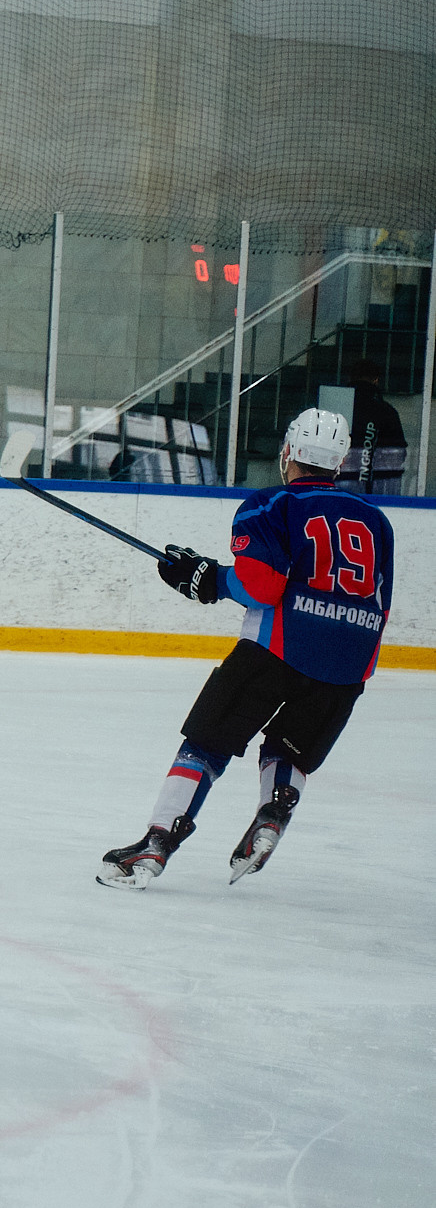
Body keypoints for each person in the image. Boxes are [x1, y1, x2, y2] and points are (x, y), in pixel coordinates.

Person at [97, 409, 394, 889]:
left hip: (274, 651)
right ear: (339, 462)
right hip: (349, 664)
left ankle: (156, 845)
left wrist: (209, 580)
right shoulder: (377, 522)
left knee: (207, 744)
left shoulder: (269, 505)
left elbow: (260, 587)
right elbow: (378, 601)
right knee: (289, 750)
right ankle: (273, 814)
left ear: (289, 453)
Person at [334, 371, 408, 498]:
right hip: (373, 489)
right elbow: (398, 453)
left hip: (338, 483)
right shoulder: (385, 410)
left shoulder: (336, 407)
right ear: (376, 380)